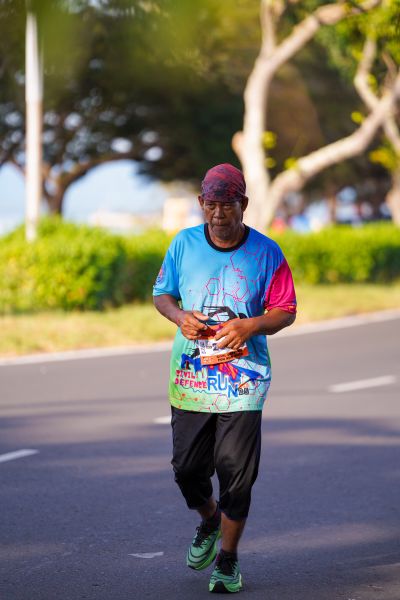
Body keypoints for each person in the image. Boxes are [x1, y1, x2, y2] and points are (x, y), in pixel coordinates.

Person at [153, 163, 296, 594]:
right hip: (191, 379)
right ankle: (210, 519)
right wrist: (180, 316)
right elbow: (162, 294)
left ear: (243, 204)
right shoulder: (183, 244)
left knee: (237, 473)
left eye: (227, 205)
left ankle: (228, 560)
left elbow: (286, 310)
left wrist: (250, 325)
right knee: (186, 469)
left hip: (244, 382)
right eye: (211, 205)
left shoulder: (267, 252)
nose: (218, 214)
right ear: (201, 203)